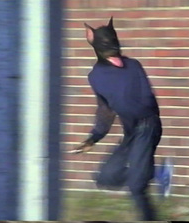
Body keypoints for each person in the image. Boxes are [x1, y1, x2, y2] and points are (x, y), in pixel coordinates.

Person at [70, 17, 163, 221]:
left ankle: (145, 192)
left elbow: (148, 102)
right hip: (130, 132)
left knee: (136, 187)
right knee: (106, 178)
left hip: (148, 126)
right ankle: (153, 172)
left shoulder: (133, 66)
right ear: (91, 42)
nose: (114, 52)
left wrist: (149, 135)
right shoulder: (95, 76)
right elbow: (105, 109)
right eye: (107, 48)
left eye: (115, 46)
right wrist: (93, 138)